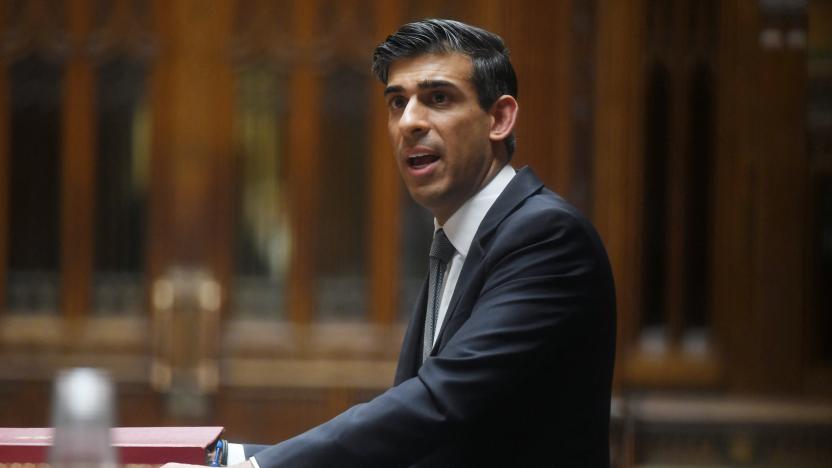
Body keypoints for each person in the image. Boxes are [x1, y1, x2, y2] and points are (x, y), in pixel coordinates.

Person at [166, 18, 616, 468]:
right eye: (397, 102)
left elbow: (437, 404)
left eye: (437, 98)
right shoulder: (458, 238)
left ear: (498, 118)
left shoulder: (546, 238)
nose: (410, 122)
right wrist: (226, 459)